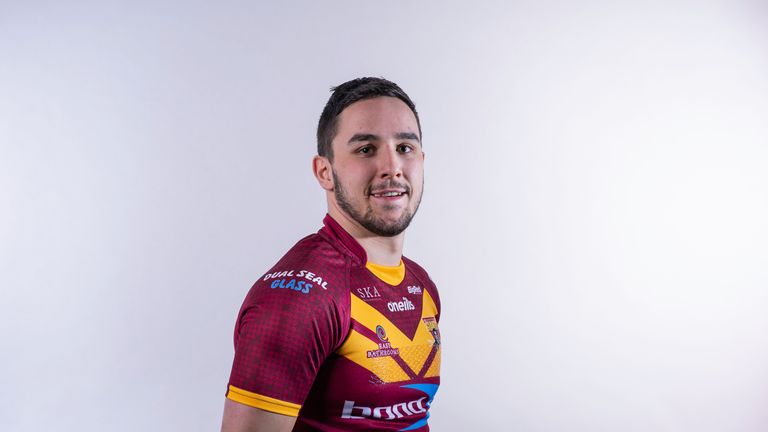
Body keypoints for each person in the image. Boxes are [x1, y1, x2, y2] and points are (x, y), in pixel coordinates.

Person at [221, 77, 441, 431]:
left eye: (405, 147)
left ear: (422, 160)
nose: (392, 166)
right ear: (325, 172)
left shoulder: (420, 284)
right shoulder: (298, 300)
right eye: (366, 149)